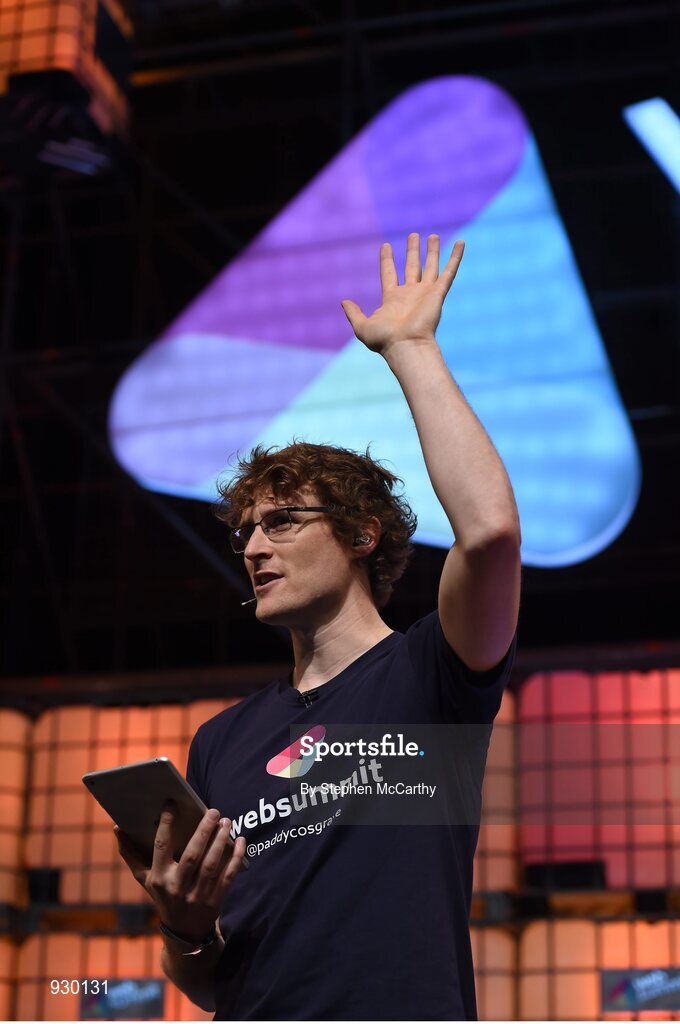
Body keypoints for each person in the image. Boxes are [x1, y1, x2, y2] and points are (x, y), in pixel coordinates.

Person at [114, 233, 521, 1020]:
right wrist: (184, 926)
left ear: (362, 534)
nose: (255, 547)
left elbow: (492, 534)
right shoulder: (223, 742)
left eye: (283, 521)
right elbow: (210, 982)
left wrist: (410, 348)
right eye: (247, 532)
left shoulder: (432, 676)